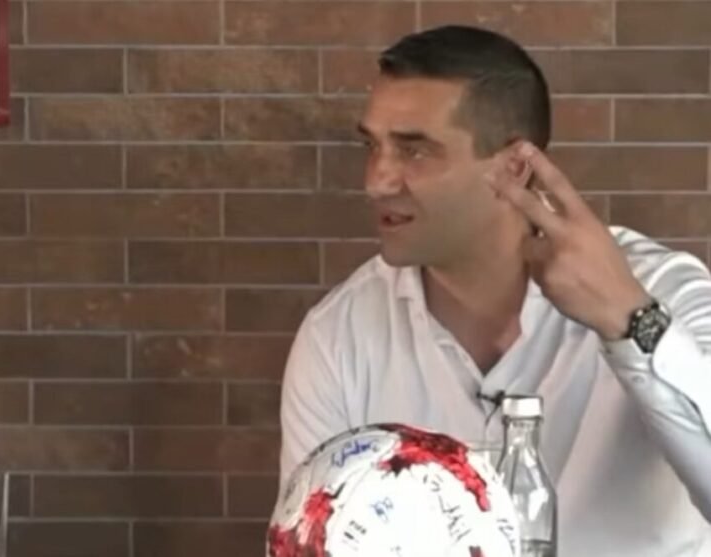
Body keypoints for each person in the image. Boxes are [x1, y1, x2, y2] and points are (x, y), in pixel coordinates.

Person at [278, 24, 711, 555]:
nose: (377, 180)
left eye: (415, 151)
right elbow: (307, 539)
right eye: (372, 146)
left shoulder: (661, 291)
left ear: (514, 167)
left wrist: (630, 320)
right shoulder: (340, 336)